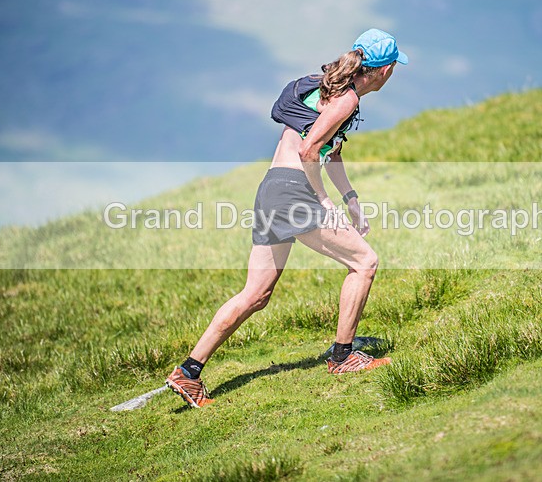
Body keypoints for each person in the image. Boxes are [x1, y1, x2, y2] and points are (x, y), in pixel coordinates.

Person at [165, 29, 408, 408]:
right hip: (295, 192)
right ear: (385, 70)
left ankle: (188, 371)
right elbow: (311, 150)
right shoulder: (346, 99)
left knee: (256, 294)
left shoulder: (327, 87)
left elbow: (332, 151)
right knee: (365, 262)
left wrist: (351, 199)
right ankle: (343, 357)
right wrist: (325, 201)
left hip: (271, 189)